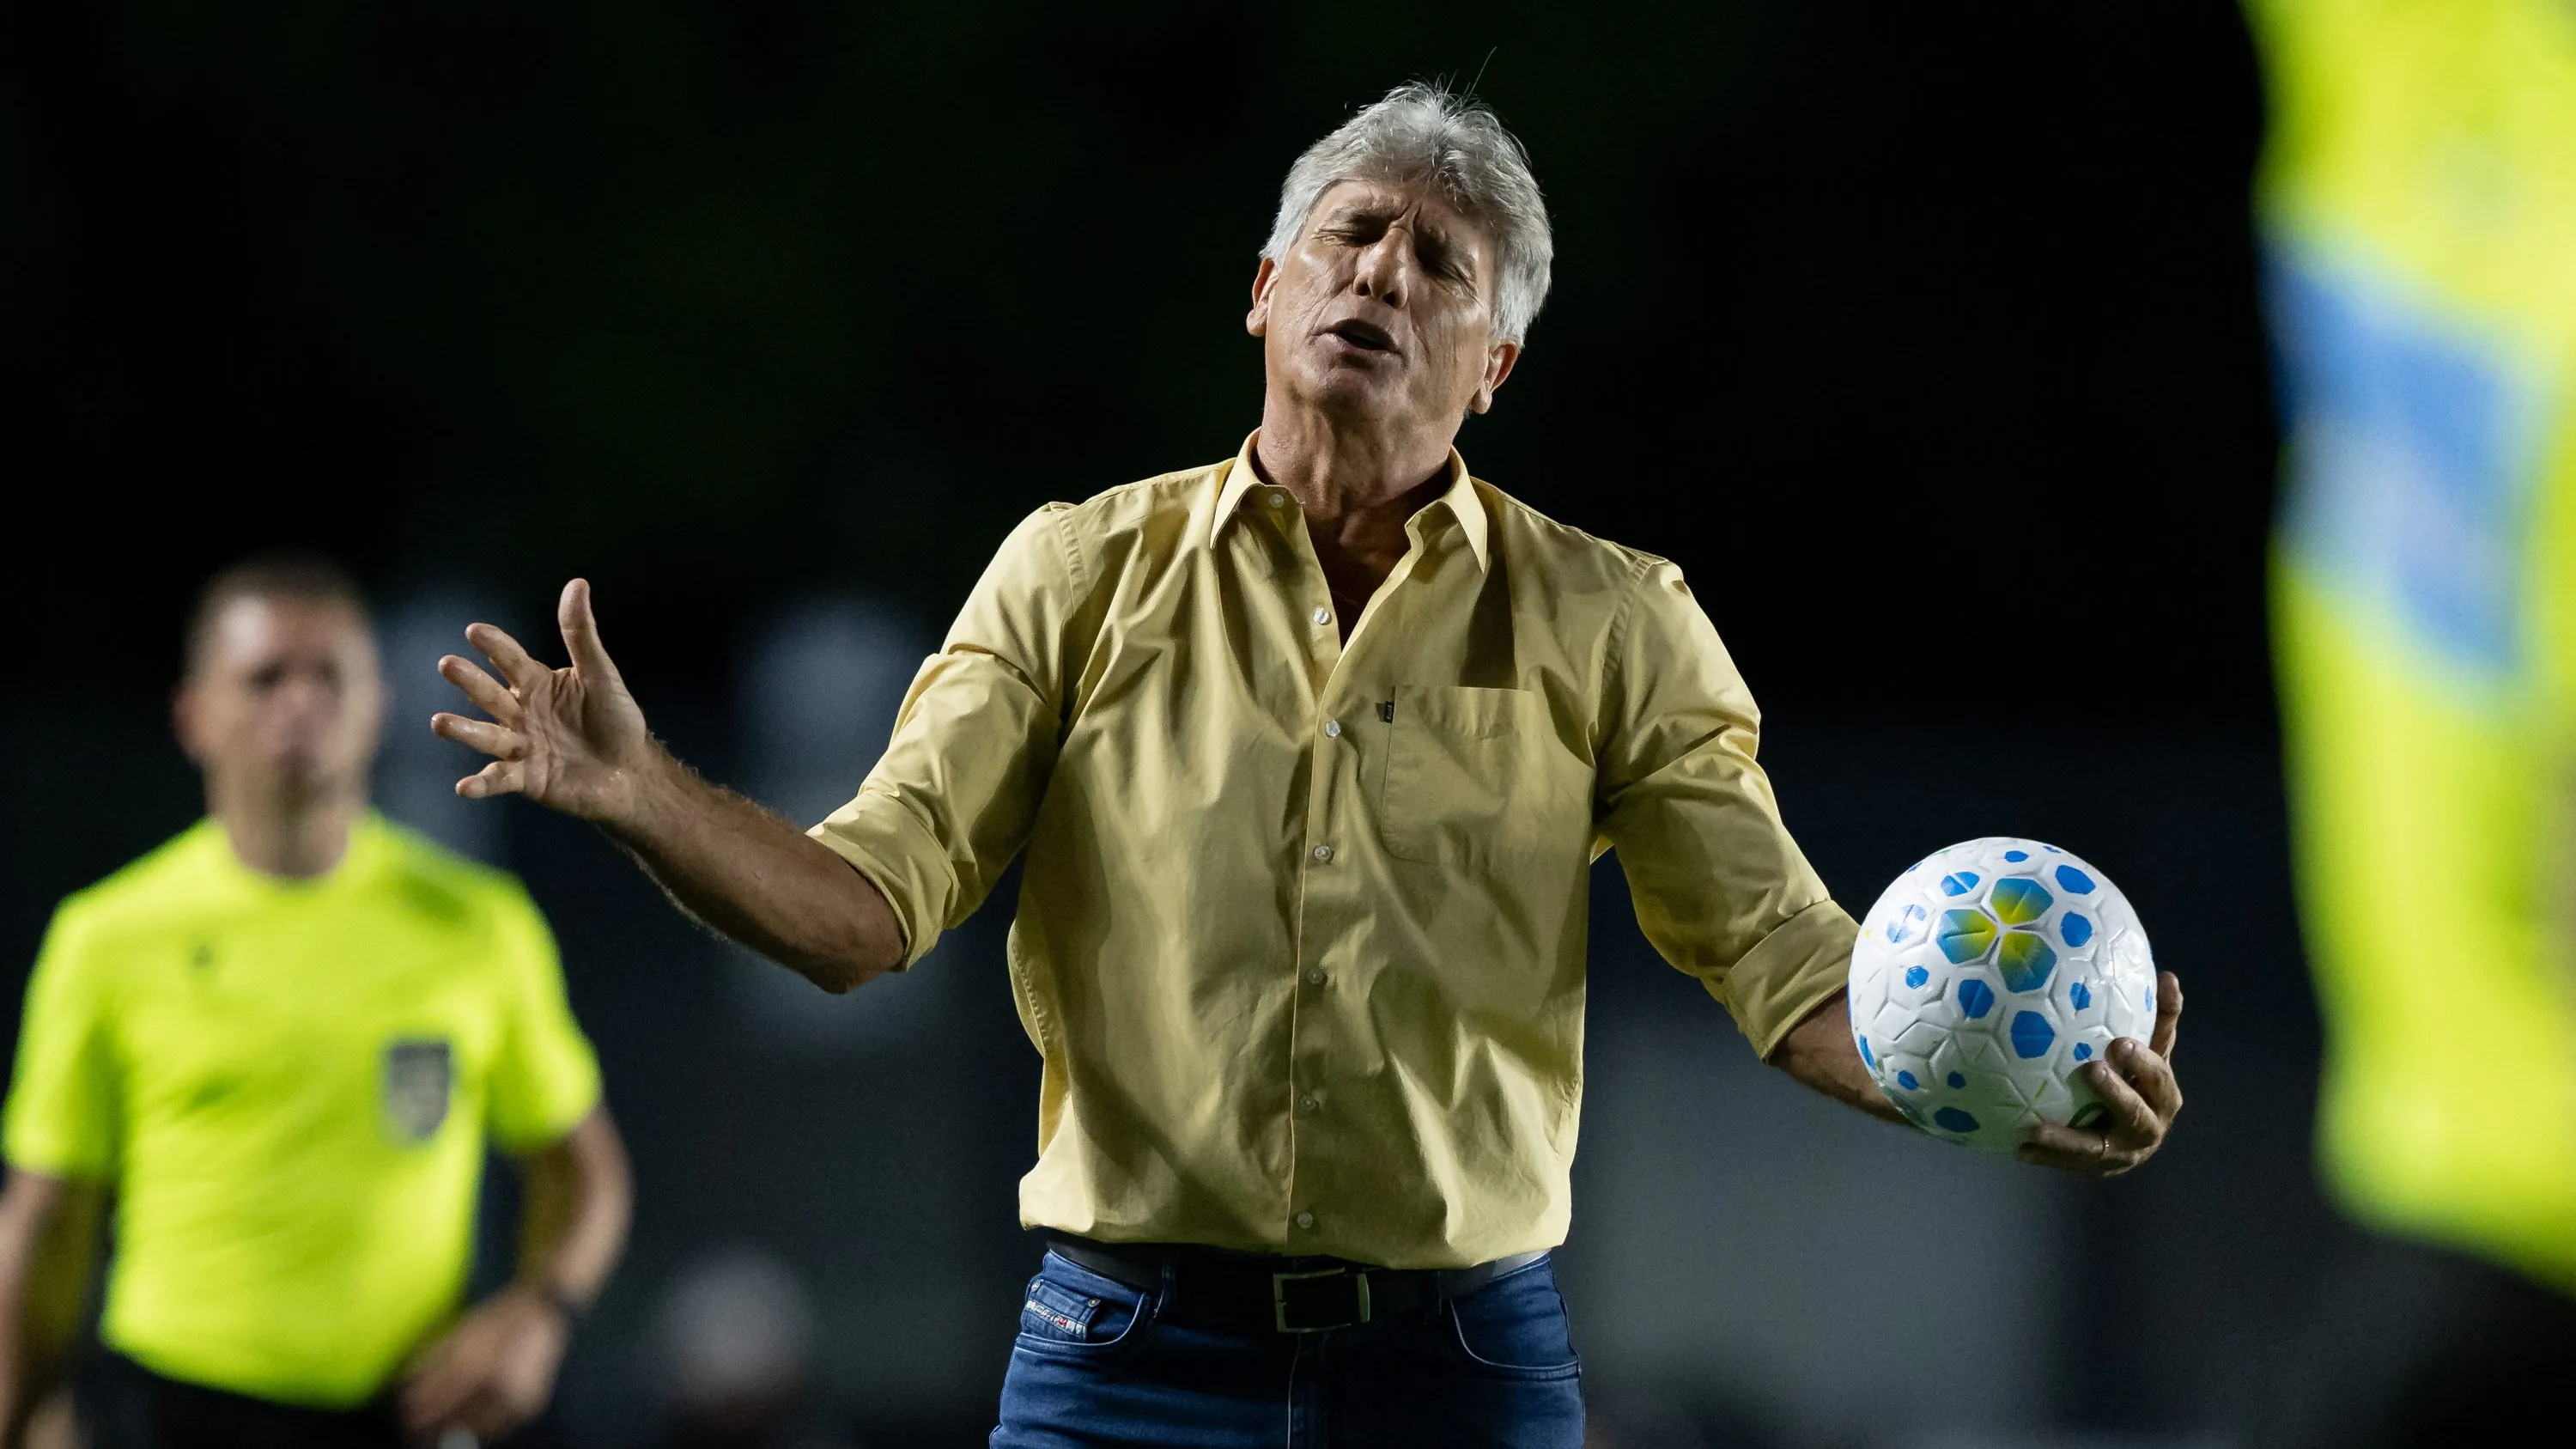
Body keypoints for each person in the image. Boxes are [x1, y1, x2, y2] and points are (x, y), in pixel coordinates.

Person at [428, 83, 2184, 1446]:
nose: (1381, 276)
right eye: (1350, 236)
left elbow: (1792, 968)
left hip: (1465, 1357)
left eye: (1441, 267)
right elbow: (863, 911)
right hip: (1119, 1351)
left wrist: (1995, 1096)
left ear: (1494, 364)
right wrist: (646, 791)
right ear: (1266, 290)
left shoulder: (1618, 622)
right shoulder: (1078, 570)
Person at [0, 555, 632, 1449]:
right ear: (194, 714)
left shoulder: (477, 924)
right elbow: (46, 1219)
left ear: (375, 706)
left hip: (402, 1410)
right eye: (263, 678)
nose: (298, 701)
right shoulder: (107, 935)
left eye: (327, 675)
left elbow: (586, 1169)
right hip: (172, 1410)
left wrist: (542, 1311)